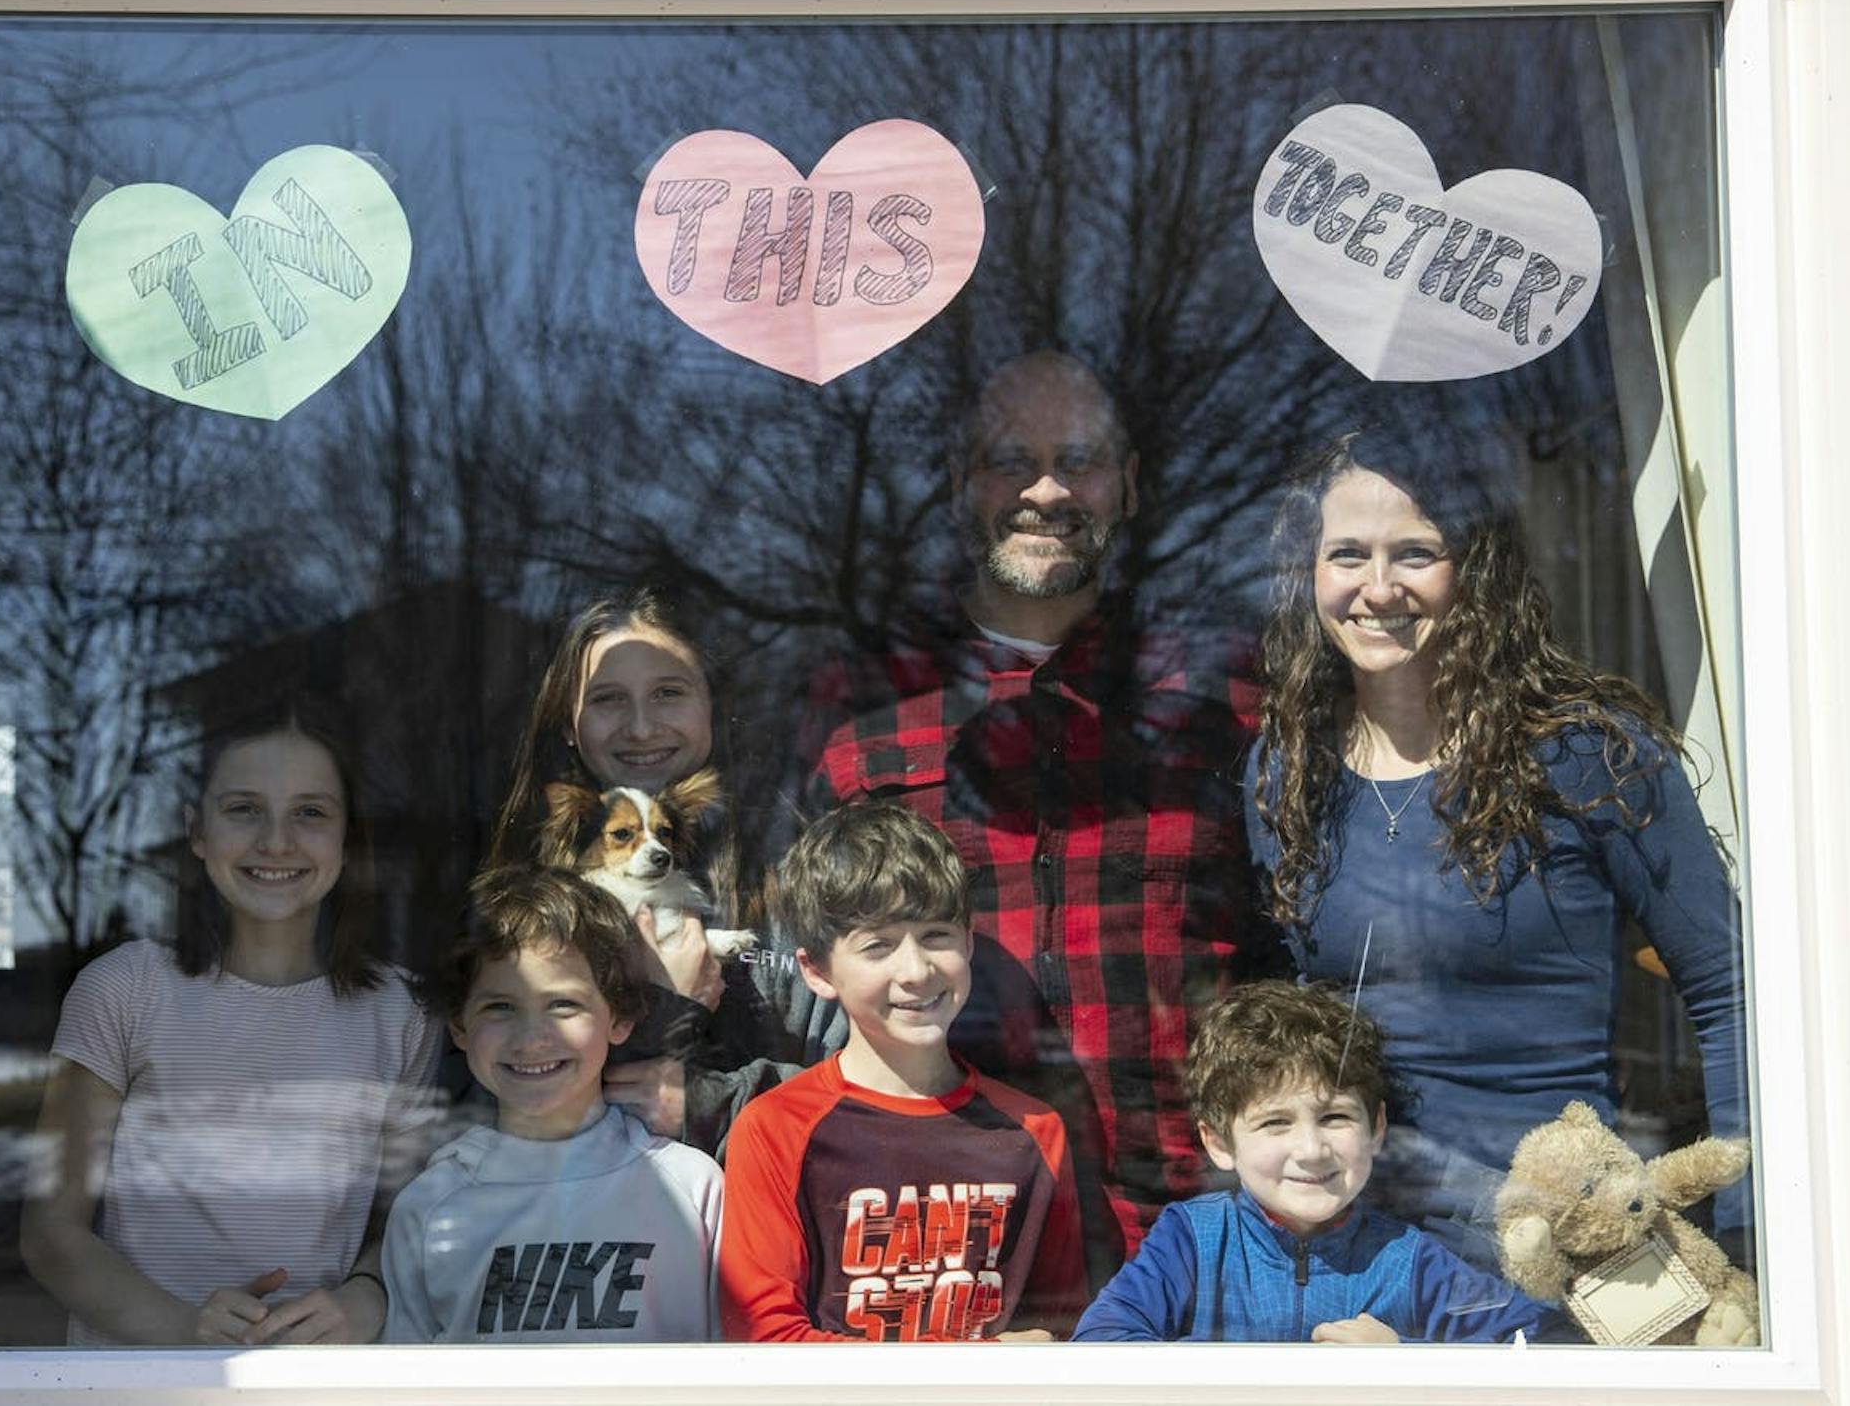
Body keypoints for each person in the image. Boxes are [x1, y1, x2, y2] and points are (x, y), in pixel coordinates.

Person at [1242, 424, 1749, 1265]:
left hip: (1566, 1252)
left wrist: (1748, 1240)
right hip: (1359, 1251)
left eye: (1415, 552)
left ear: (1475, 566)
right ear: (1308, 574)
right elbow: (1309, 1019)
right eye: (1347, 555)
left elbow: (1731, 995)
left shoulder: (1586, 753)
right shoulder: (1284, 772)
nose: (1378, 587)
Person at [797, 350, 1260, 1270]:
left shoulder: (1223, 705)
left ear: (1127, 486)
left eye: (1080, 459)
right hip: (940, 1237)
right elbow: (803, 987)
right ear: (961, 483)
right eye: (1012, 460)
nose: (1046, 490)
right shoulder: (864, 709)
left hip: (1199, 1234)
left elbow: (1296, 956)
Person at [20, 698, 439, 1345]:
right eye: (244, 808)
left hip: (316, 1386)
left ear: (348, 836)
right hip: (141, 1386)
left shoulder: (402, 1012)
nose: (276, 840)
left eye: (310, 812)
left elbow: (405, 1218)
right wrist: (187, 1327)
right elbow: (51, 1234)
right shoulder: (124, 988)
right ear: (197, 831)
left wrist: (366, 1294)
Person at [489, 589, 847, 1152]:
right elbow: (487, 1093)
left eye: (668, 693)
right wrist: (659, 1015)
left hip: (765, 1211)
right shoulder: (522, 896)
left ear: (712, 702)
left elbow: (863, 1090)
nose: (641, 727)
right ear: (567, 724)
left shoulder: (799, 870)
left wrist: (712, 1103)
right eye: (607, 698)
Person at [718, 803, 1087, 1342]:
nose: (915, 971)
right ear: (816, 970)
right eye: (878, 946)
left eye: (935, 935)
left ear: (968, 939)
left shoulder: (1036, 1132)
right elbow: (767, 1341)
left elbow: (1062, 1329)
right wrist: (971, 1361)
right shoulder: (775, 1128)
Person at [1073, 981, 1549, 1343]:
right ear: (1219, 1143)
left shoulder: (1409, 1259)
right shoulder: (1192, 1239)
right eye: (1275, 1123)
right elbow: (1101, 1341)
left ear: (1377, 1128)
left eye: (1336, 1116)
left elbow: (1533, 1342)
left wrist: (1408, 1360)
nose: (1311, 1149)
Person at [381, 866, 723, 1343]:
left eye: (564, 1005)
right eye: (500, 1007)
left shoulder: (694, 1187)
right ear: (459, 1025)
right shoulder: (428, 1207)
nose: (533, 1038)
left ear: (619, 1017)